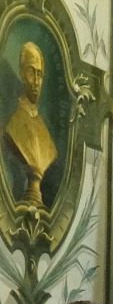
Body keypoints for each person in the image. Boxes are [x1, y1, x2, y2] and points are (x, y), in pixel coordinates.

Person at [3, 41, 59, 209]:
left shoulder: (46, 134)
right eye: (31, 72)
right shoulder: (12, 125)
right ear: (21, 74)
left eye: (39, 74)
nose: (36, 81)